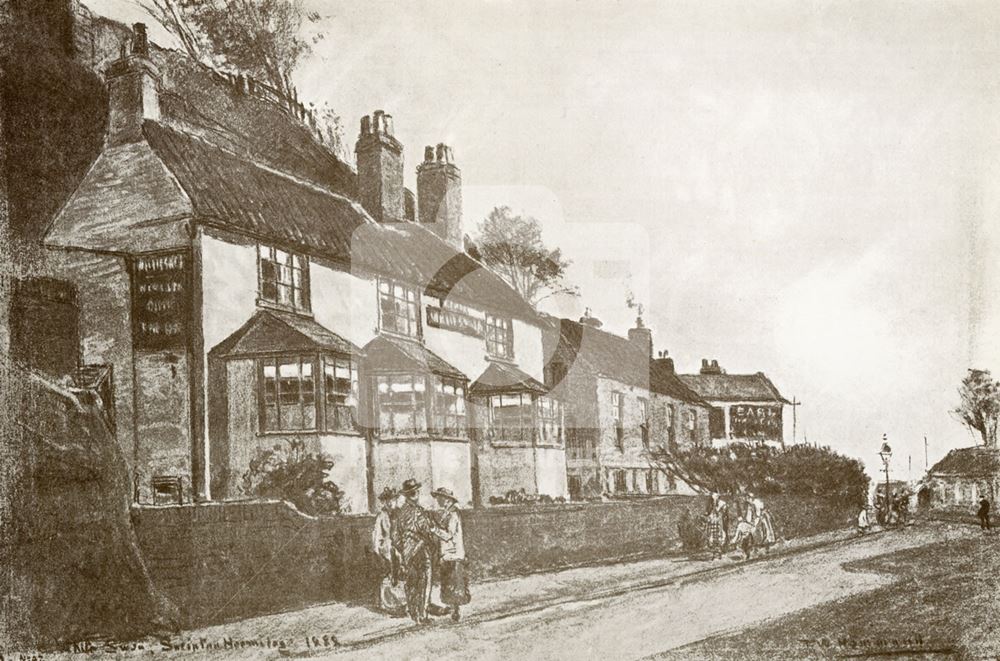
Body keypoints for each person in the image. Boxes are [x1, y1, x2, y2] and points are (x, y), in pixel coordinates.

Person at [395, 478, 449, 624]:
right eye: (416, 492)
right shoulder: (418, 512)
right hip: (420, 549)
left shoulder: (401, 513)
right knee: (424, 581)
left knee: (412, 583)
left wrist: (404, 549)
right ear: (416, 493)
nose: (416, 494)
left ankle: (416, 612)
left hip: (407, 553)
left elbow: (395, 536)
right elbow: (426, 529)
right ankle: (422, 615)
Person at [430, 487, 471, 621]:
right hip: (448, 554)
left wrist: (434, 529)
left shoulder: (453, 515)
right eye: (438, 498)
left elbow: (448, 536)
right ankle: (454, 610)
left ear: (447, 500)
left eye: (440, 498)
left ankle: (455, 611)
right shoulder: (447, 513)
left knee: (453, 583)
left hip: (453, 555)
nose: (438, 501)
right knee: (450, 583)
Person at [372, 487, 405, 615]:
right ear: (384, 502)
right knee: (388, 574)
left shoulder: (400, 514)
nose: (390, 503)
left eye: (392, 500)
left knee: (400, 573)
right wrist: (378, 550)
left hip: (399, 548)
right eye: (387, 501)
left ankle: (402, 603)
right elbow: (376, 535)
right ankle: (388, 604)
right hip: (387, 548)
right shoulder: (381, 516)